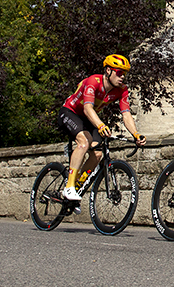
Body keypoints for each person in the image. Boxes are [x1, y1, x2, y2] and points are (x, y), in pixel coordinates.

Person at [57, 55, 146, 211]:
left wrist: (136, 134)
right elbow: (87, 108)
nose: (122, 77)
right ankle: (69, 186)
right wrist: (100, 125)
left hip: (87, 119)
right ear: (108, 70)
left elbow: (126, 114)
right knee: (84, 142)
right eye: (119, 72)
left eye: (125, 73)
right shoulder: (93, 82)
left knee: (97, 154)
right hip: (70, 112)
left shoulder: (122, 90)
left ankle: (76, 187)